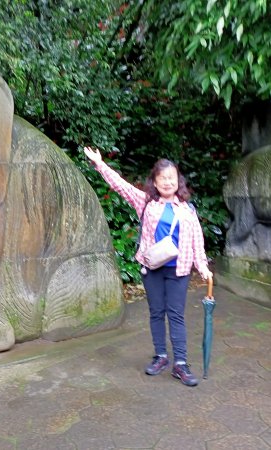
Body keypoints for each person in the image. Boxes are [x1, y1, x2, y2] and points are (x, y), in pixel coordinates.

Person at [83, 146, 213, 387]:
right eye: (162, 178)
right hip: (153, 267)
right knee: (156, 312)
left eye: (171, 178)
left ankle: (181, 364)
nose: (167, 182)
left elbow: (197, 241)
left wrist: (202, 267)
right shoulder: (145, 202)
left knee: (175, 314)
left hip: (179, 269)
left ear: (178, 181)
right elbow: (120, 186)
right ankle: (161, 356)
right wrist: (100, 164)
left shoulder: (187, 210)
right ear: (154, 181)